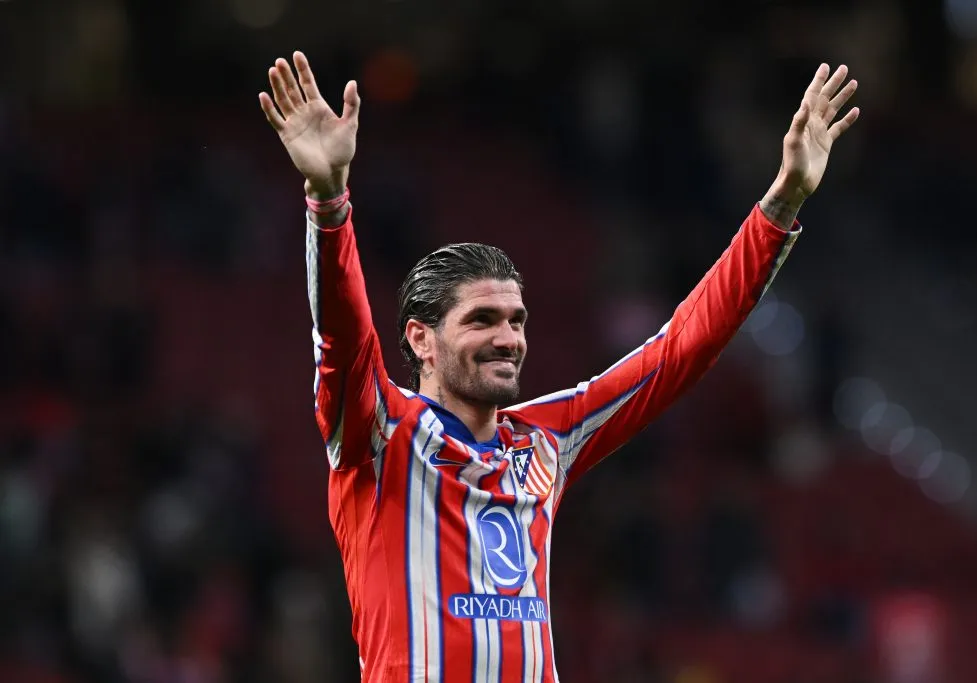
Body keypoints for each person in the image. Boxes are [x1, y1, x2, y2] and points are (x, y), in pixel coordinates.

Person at [258, 51, 859, 682]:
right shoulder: (379, 437)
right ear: (422, 340)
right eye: (482, 320)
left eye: (516, 320)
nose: (508, 339)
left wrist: (784, 200)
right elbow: (343, 338)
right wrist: (328, 204)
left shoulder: (546, 438)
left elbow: (682, 346)